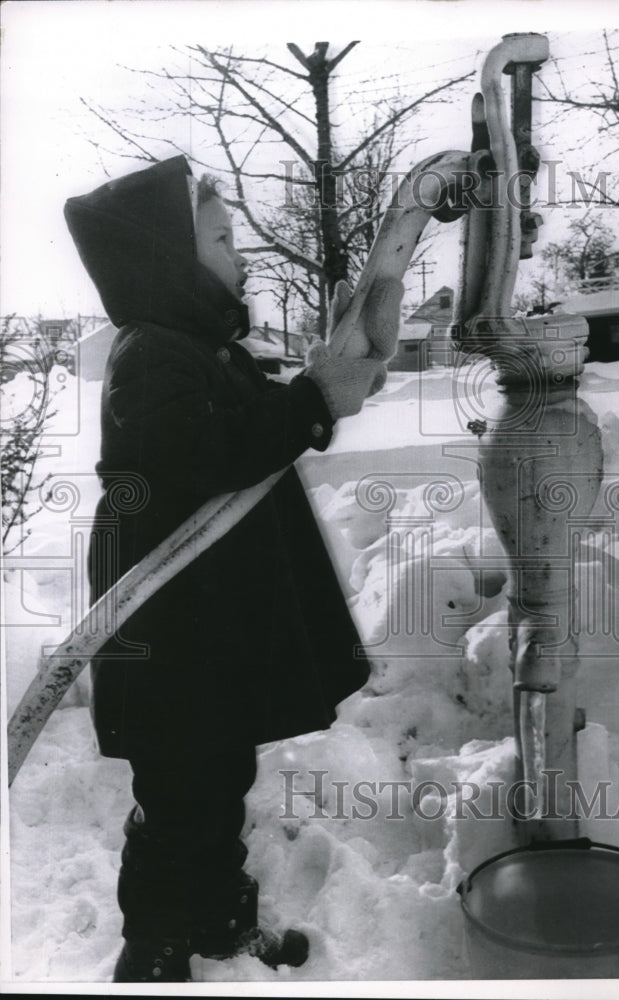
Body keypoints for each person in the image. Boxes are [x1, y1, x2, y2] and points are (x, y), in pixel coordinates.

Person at [64, 155, 401, 983]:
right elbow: (213, 455)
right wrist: (315, 398)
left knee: (218, 783)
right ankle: (153, 950)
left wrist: (332, 373)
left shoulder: (201, 349)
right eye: (220, 236)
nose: (239, 253)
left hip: (205, 639)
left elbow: (258, 423)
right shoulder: (152, 359)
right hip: (169, 641)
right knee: (182, 799)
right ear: (168, 257)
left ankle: (217, 922)